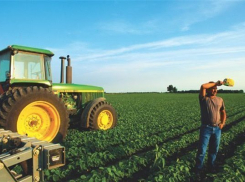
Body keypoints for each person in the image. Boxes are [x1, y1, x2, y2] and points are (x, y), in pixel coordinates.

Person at [195, 80, 226, 174]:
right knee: (202, 150)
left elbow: (223, 112)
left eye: (216, 89)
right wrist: (216, 83)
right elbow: (203, 86)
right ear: (208, 90)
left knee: (214, 149)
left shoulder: (220, 100)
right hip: (206, 128)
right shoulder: (204, 99)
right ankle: (198, 169)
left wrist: (222, 123)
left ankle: (211, 166)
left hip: (217, 128)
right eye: (212, 89)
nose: (215, 90)